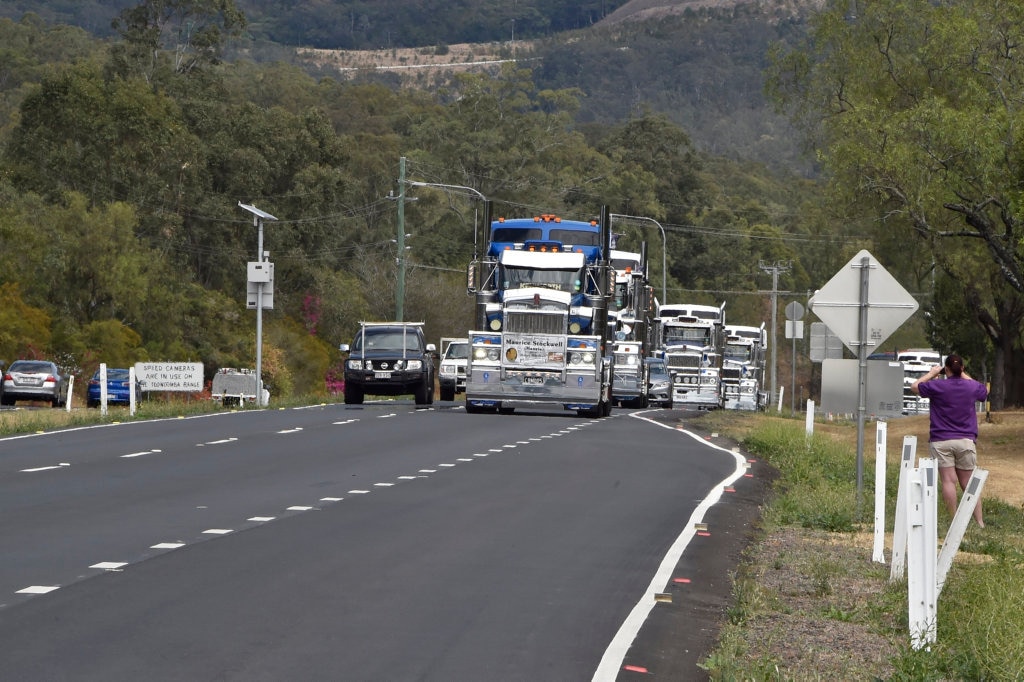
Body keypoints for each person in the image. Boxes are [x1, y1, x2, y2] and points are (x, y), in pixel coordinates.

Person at [911, 354, 989, 527]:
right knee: (968, 482)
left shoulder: (937, 386)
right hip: (965, 440)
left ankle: (954, 522)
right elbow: (984, 392)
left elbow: (915, 387)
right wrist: (962, 373)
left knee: (948, 480)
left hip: (941, 440)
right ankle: (979, 522)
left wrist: (932, 373)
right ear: (961, 369)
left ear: (945, 369)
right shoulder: (971, 387)